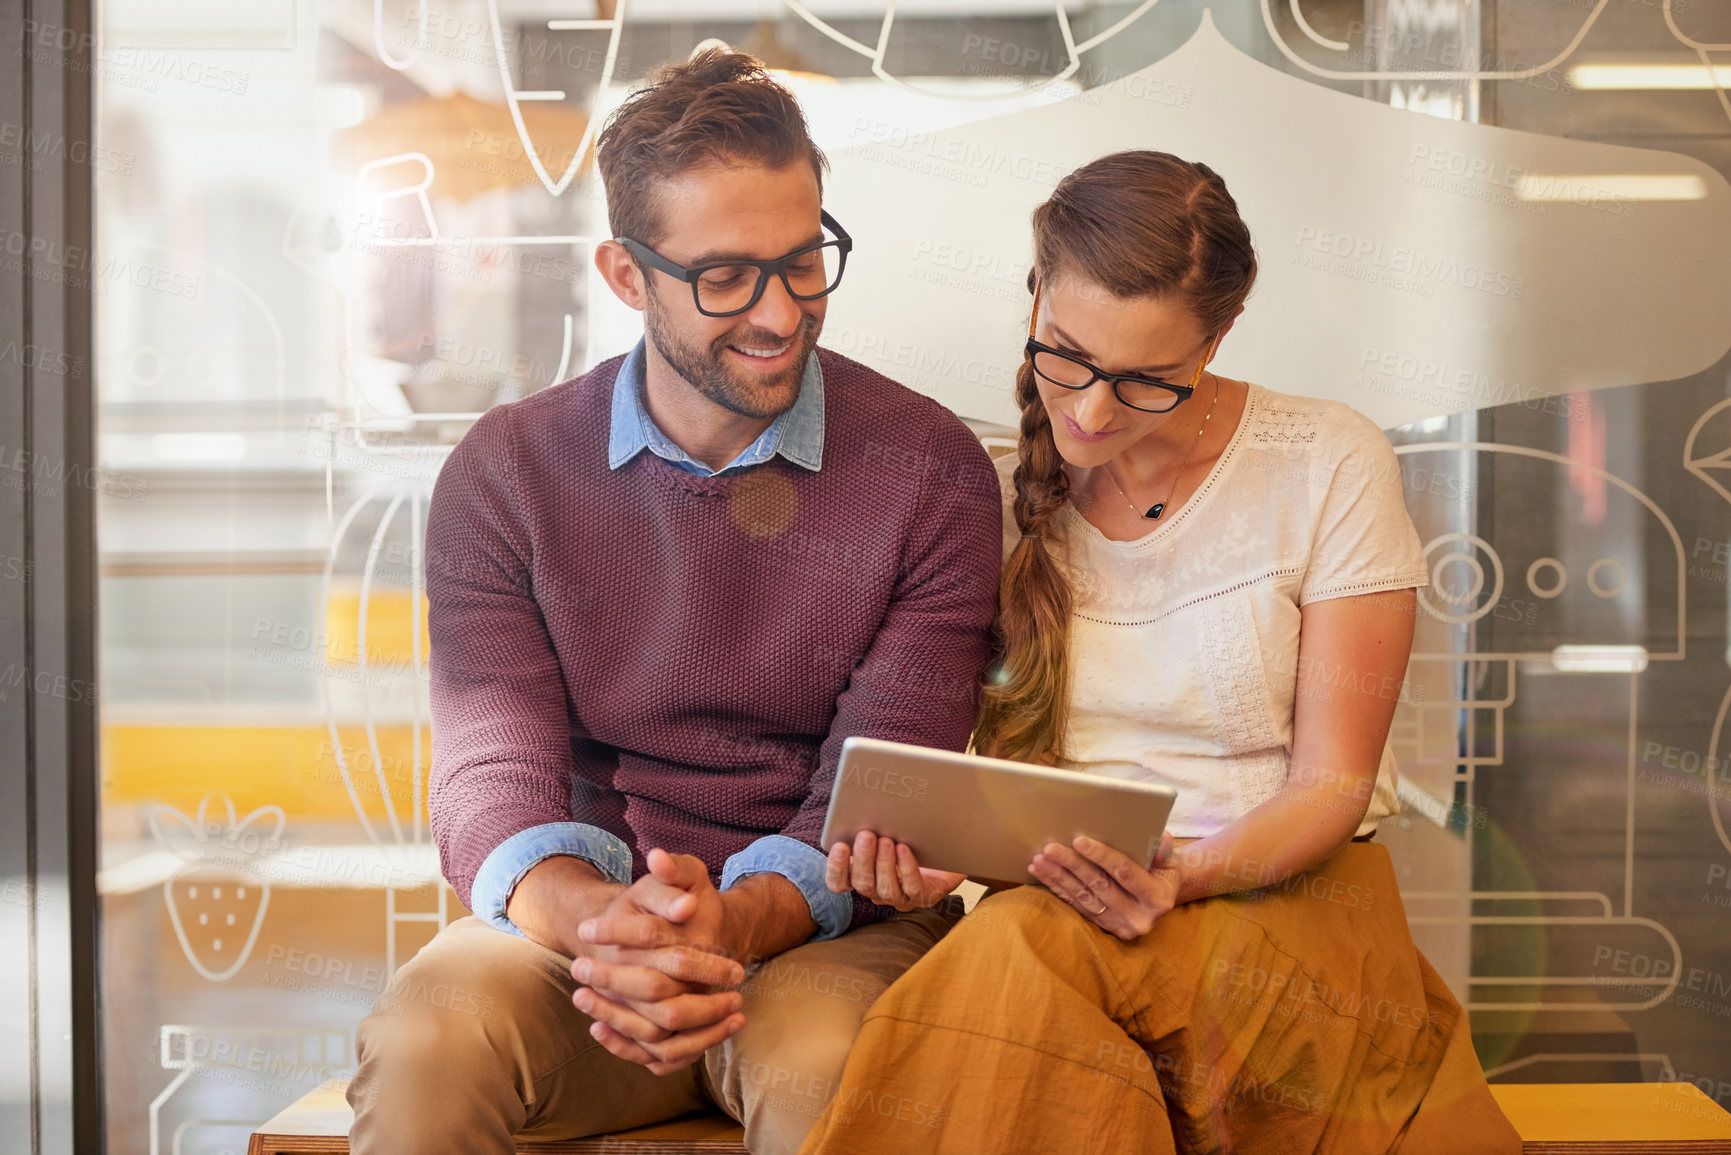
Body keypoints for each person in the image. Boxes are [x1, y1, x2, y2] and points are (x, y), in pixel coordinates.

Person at [345, 50, 1003, 1155]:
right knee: (427, 1044)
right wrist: (608, 924)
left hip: (828, 935)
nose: (781, 313)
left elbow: (873, 783)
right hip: (586, 940)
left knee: (830, 1072)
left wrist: (727, 922)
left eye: (805, 263)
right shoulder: (507, 473)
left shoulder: (931, 468)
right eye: (727, 278)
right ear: (623, 274)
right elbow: (487, 780)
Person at [804, 151, 1524, 1154]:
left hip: (1291, 913)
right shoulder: (998, 503)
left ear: (1219, 338)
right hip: (1065, 920)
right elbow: (996, 781)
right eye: (1066, 356)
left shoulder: (1326, 461)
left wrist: (1180, 878)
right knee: (1023, 969)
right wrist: (935, 864)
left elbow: (1333, 785)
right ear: (1036, 292)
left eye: (1147, 382)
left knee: (1011, 964)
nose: (1092, 412)